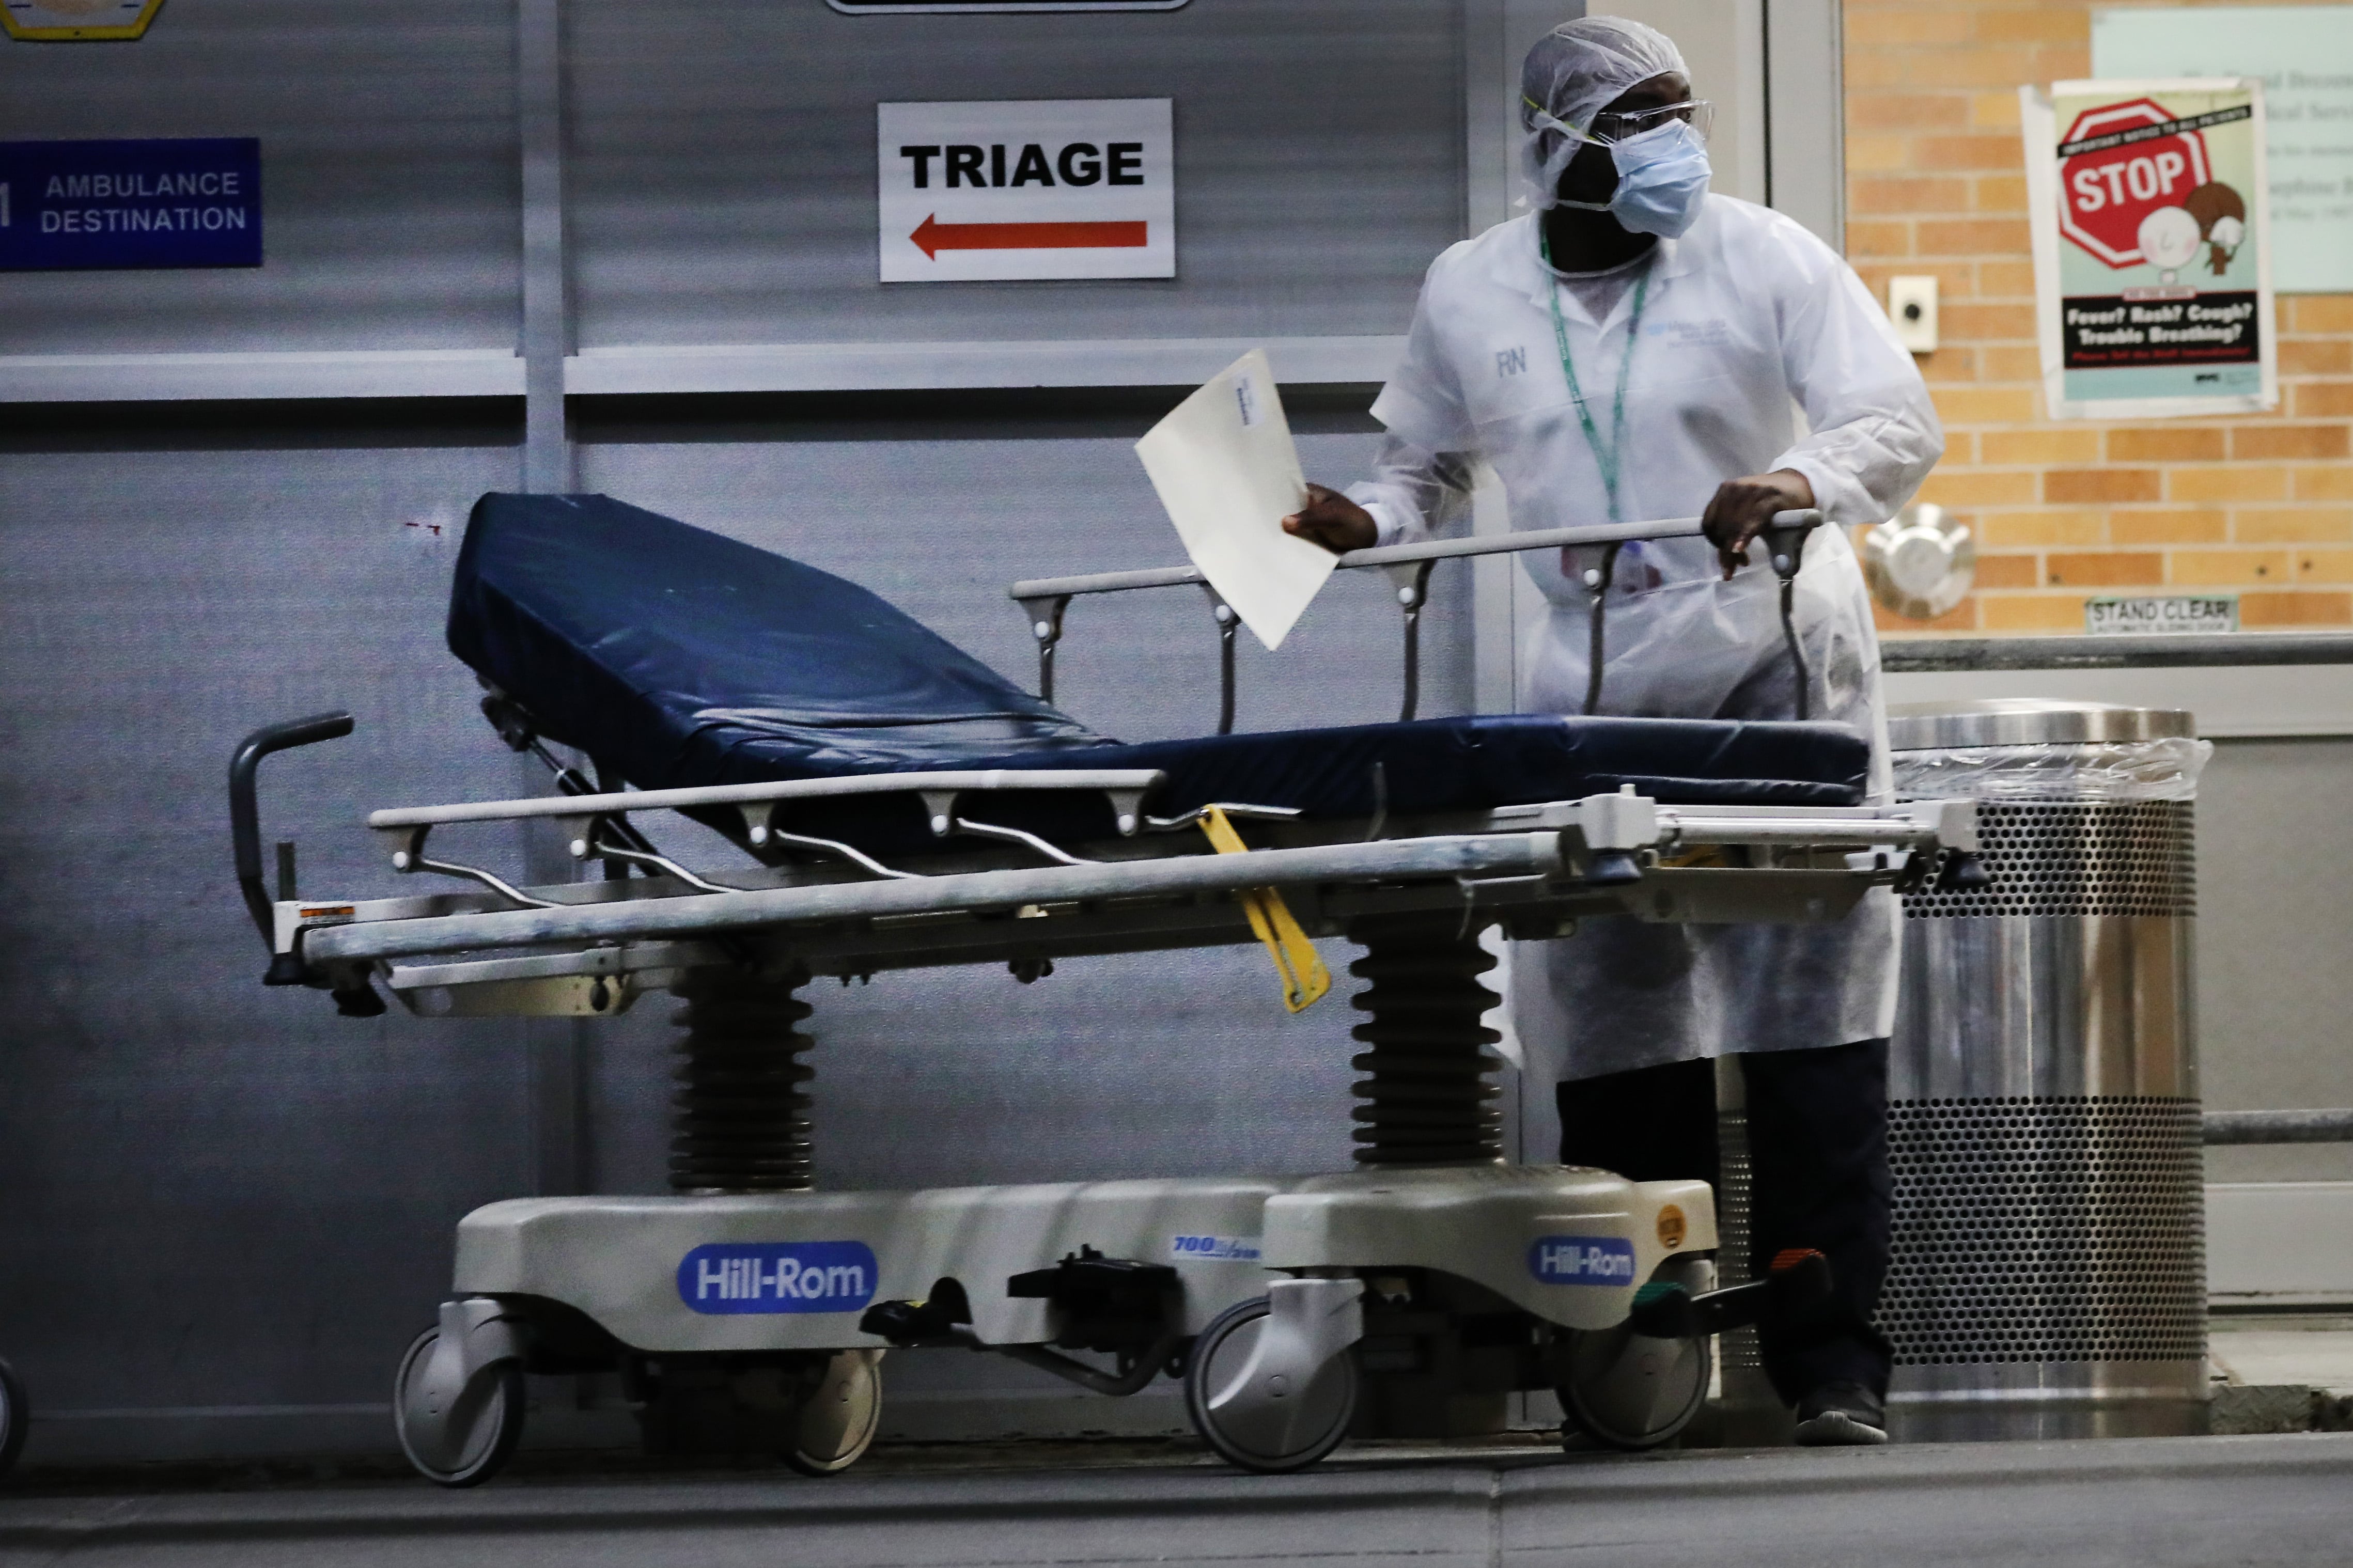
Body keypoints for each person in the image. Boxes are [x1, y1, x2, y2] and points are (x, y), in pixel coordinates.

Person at [1282, 17, 1941, 1446]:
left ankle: (1828, 1367)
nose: (1673, 142)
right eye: (1642, 117)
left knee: (1806, 1003)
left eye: (1681, 110)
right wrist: (1363, 517)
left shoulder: (1762, 255)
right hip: (1594, 679)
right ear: (1559, 143)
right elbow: (1428, 465)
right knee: (1610, 1009)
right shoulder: (1471, 288)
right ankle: (1638, 1358)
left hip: (1776, 655)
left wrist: (1791, 475)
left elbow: (1895, 420)